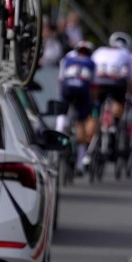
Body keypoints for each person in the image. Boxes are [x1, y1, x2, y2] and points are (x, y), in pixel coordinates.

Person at [90, 32, 132, 159]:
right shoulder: (126, 54)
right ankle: (115, 123)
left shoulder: (99, 51)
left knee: (95, 106)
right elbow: (131, 78)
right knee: (119, 103)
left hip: (98, 82)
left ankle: (95, 117)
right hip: (116, 83)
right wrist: (130, 95)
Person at [56, 40, 97, 173]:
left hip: (67, 90)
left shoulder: (67, 60)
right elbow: (94, 85)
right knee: (81, 122)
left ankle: (60, 128)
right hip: (83, 93)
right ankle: (80, 162)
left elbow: (61, 79)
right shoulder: (91, 63)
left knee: (62, 110)